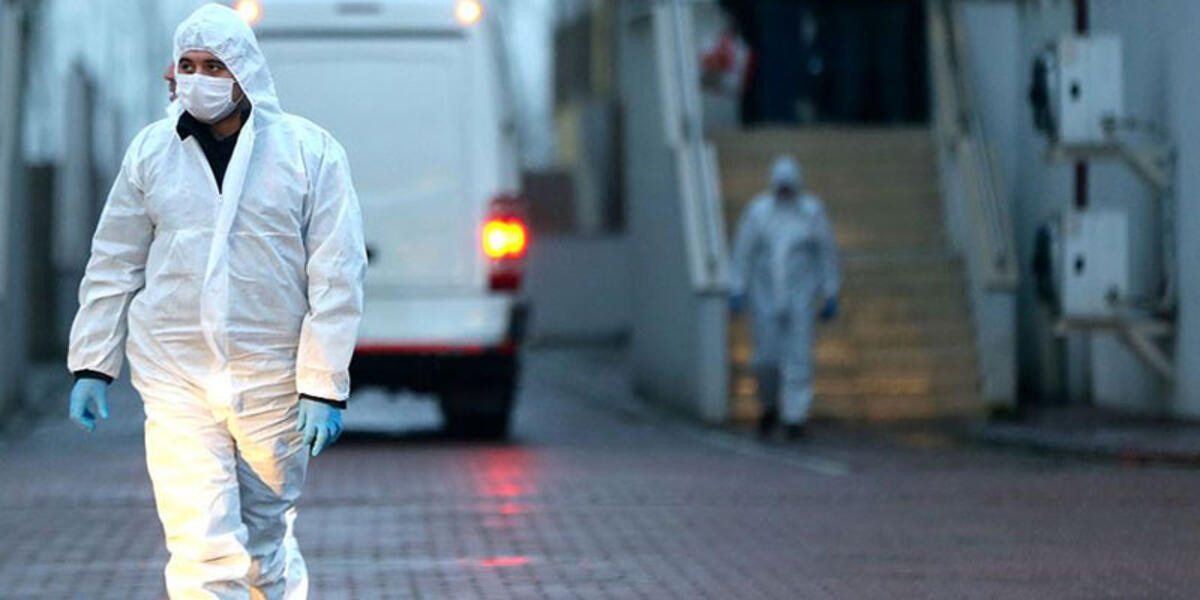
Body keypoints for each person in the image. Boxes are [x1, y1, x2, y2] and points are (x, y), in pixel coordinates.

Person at [65, 4, 367, 598]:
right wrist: (93, 364)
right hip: (175, 375)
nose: (200, 78)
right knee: (201, 543)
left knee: (263, 542)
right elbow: (115, 260)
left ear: (244, 70)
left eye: (214, 66)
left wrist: (323, 384)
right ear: (172, 72)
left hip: (272, 378)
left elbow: (336, 275)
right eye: (189, 65)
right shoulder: (152, 152)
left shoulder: (308, 153)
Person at [730, 156, 840, 440]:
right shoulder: (758, 213)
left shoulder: (811, 213)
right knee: (765, 359)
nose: (786, 192)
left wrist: (830, 291)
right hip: (764, 297)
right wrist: (737, 287)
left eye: (789, 186)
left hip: (800, 297)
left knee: (799, 358)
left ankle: (795, 417)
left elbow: (826, 253)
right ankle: (769, 406)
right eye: (782, 186)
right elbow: (743, 252)